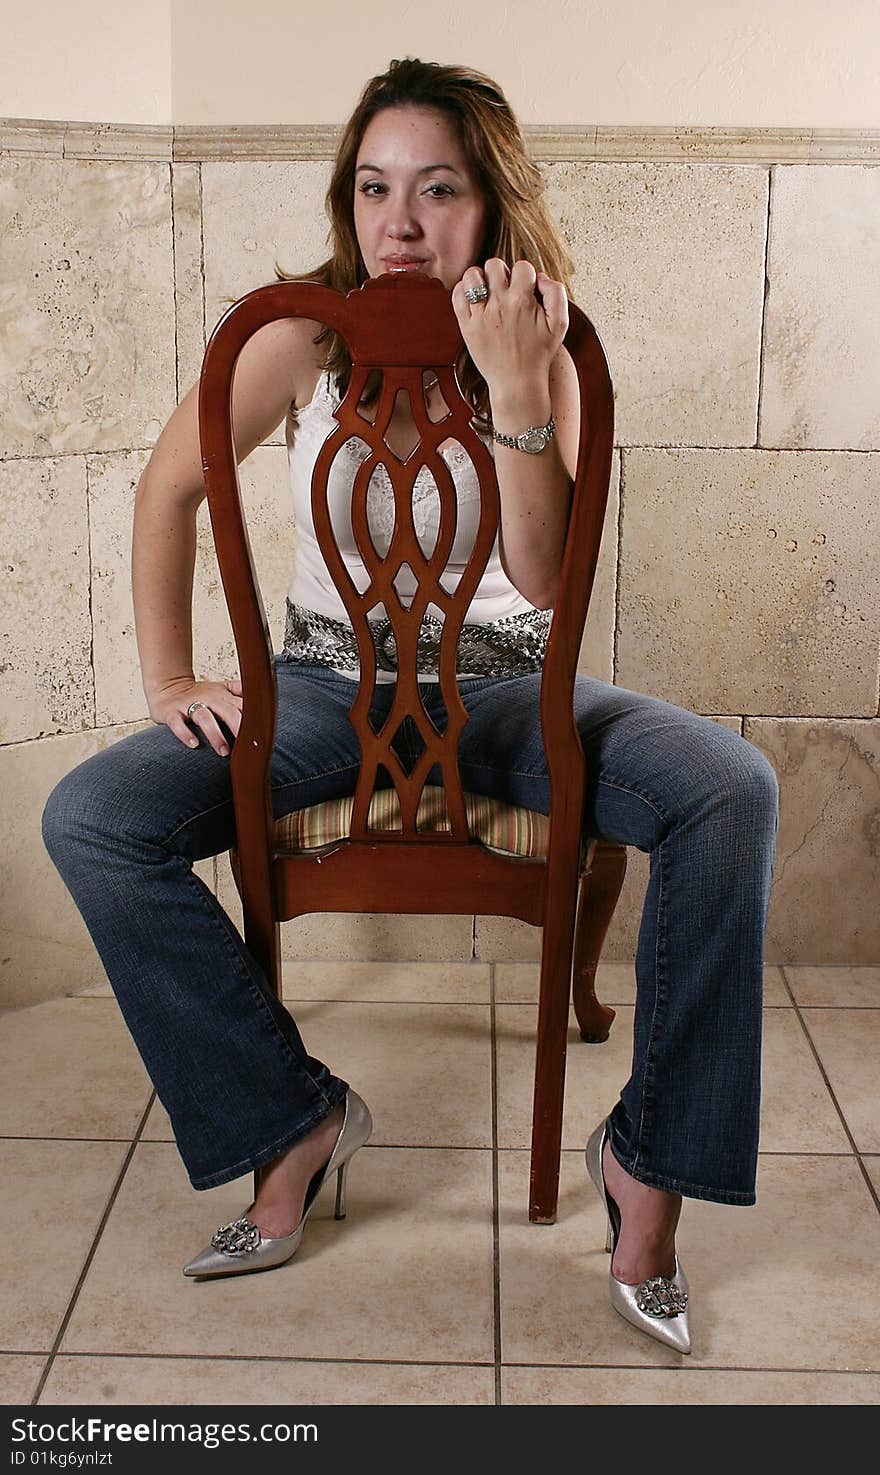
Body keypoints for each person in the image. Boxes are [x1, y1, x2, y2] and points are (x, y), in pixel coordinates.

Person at [41, 58, 778, 1353]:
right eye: (376, 187)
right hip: (322, 694)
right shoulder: (300, 336)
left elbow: (547, 580)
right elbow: (168, 491)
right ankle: (291, 1119)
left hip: (508, 694)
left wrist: (515, 391)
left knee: (730, 788)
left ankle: (647, 1171)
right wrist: (170, 679)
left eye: (438, 190)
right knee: (95, 818)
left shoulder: (549, 341)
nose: (401, 219)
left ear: (491, 206)